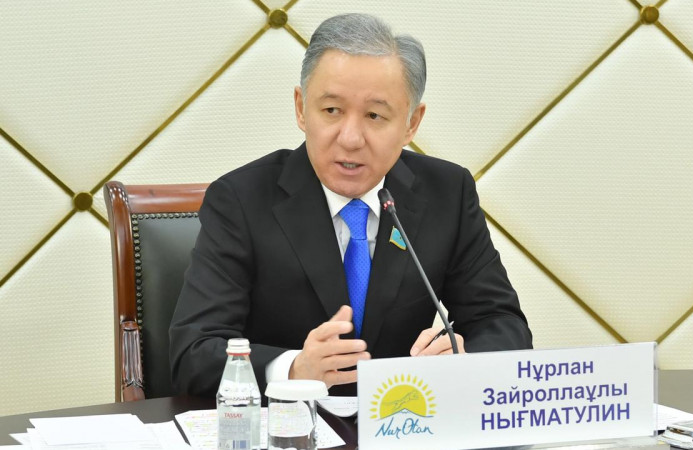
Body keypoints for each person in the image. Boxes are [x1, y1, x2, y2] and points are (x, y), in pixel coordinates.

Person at [169, 13, 532, 397]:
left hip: (404, 419)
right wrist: (293, 369)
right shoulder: (241, 200)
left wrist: (465, 359)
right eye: (332, 111)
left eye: (375, 115)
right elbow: (193, 354)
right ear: (301, 108)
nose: (351, 138)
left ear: (411, 123)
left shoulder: (448, 194)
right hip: (289, 423)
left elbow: (502, 324)